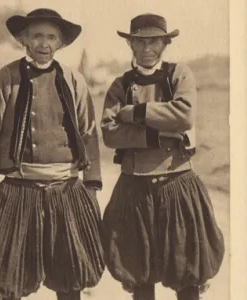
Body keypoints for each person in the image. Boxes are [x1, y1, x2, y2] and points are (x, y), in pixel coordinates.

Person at [0, 8, 104, 300]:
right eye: (37, 36)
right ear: (23, 40)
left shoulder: (73, 79)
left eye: (51, 37)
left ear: (61, 43)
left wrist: (92, 184)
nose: (44, 43)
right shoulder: (6, 78)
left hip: (66, 188)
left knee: (71, 274)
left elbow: (89, 133)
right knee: (10, 274)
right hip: (19, 188)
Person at [101, 13, 224, 300]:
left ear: (165, 43)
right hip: (134, 189)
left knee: (186, 269)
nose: (147, 49)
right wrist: (157, 134)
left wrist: (135, 113)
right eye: (140, 42)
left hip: (177, 185)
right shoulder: (121, 84)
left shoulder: (179, 74)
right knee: (139, 269)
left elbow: (184, 115)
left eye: (154, 41)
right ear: (130, 44)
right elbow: (110, 133)